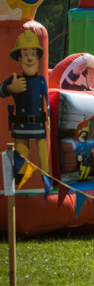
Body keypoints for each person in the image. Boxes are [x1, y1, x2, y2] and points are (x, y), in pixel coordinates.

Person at [0, 30, 50, 177]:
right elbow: (1, 90)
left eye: (33, 54)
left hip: (39, 125)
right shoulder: (16, 79)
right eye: (26, 54)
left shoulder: (41, 81)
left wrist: (49, 119)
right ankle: (21, 178)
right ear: (20, 59)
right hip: (21, 125)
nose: (30, 59)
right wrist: (10, 88)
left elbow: (47, 102)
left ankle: (45, 177)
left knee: (43, 153)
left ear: (38, 58)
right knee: (22, 152)